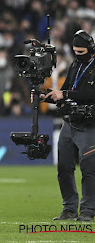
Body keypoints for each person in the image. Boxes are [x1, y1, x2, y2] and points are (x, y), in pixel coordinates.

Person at [43, 30, 95, 221]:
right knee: (64, 167)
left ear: (91, 49)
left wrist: (65, 95)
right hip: (70, 122)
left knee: (89, 169)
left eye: (81, 52)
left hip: (90, 124)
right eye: (75, 52)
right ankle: (69, 209)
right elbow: (65, 91)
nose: (78, 56)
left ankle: (88, 211)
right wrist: (46, 96)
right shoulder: (75, 65)